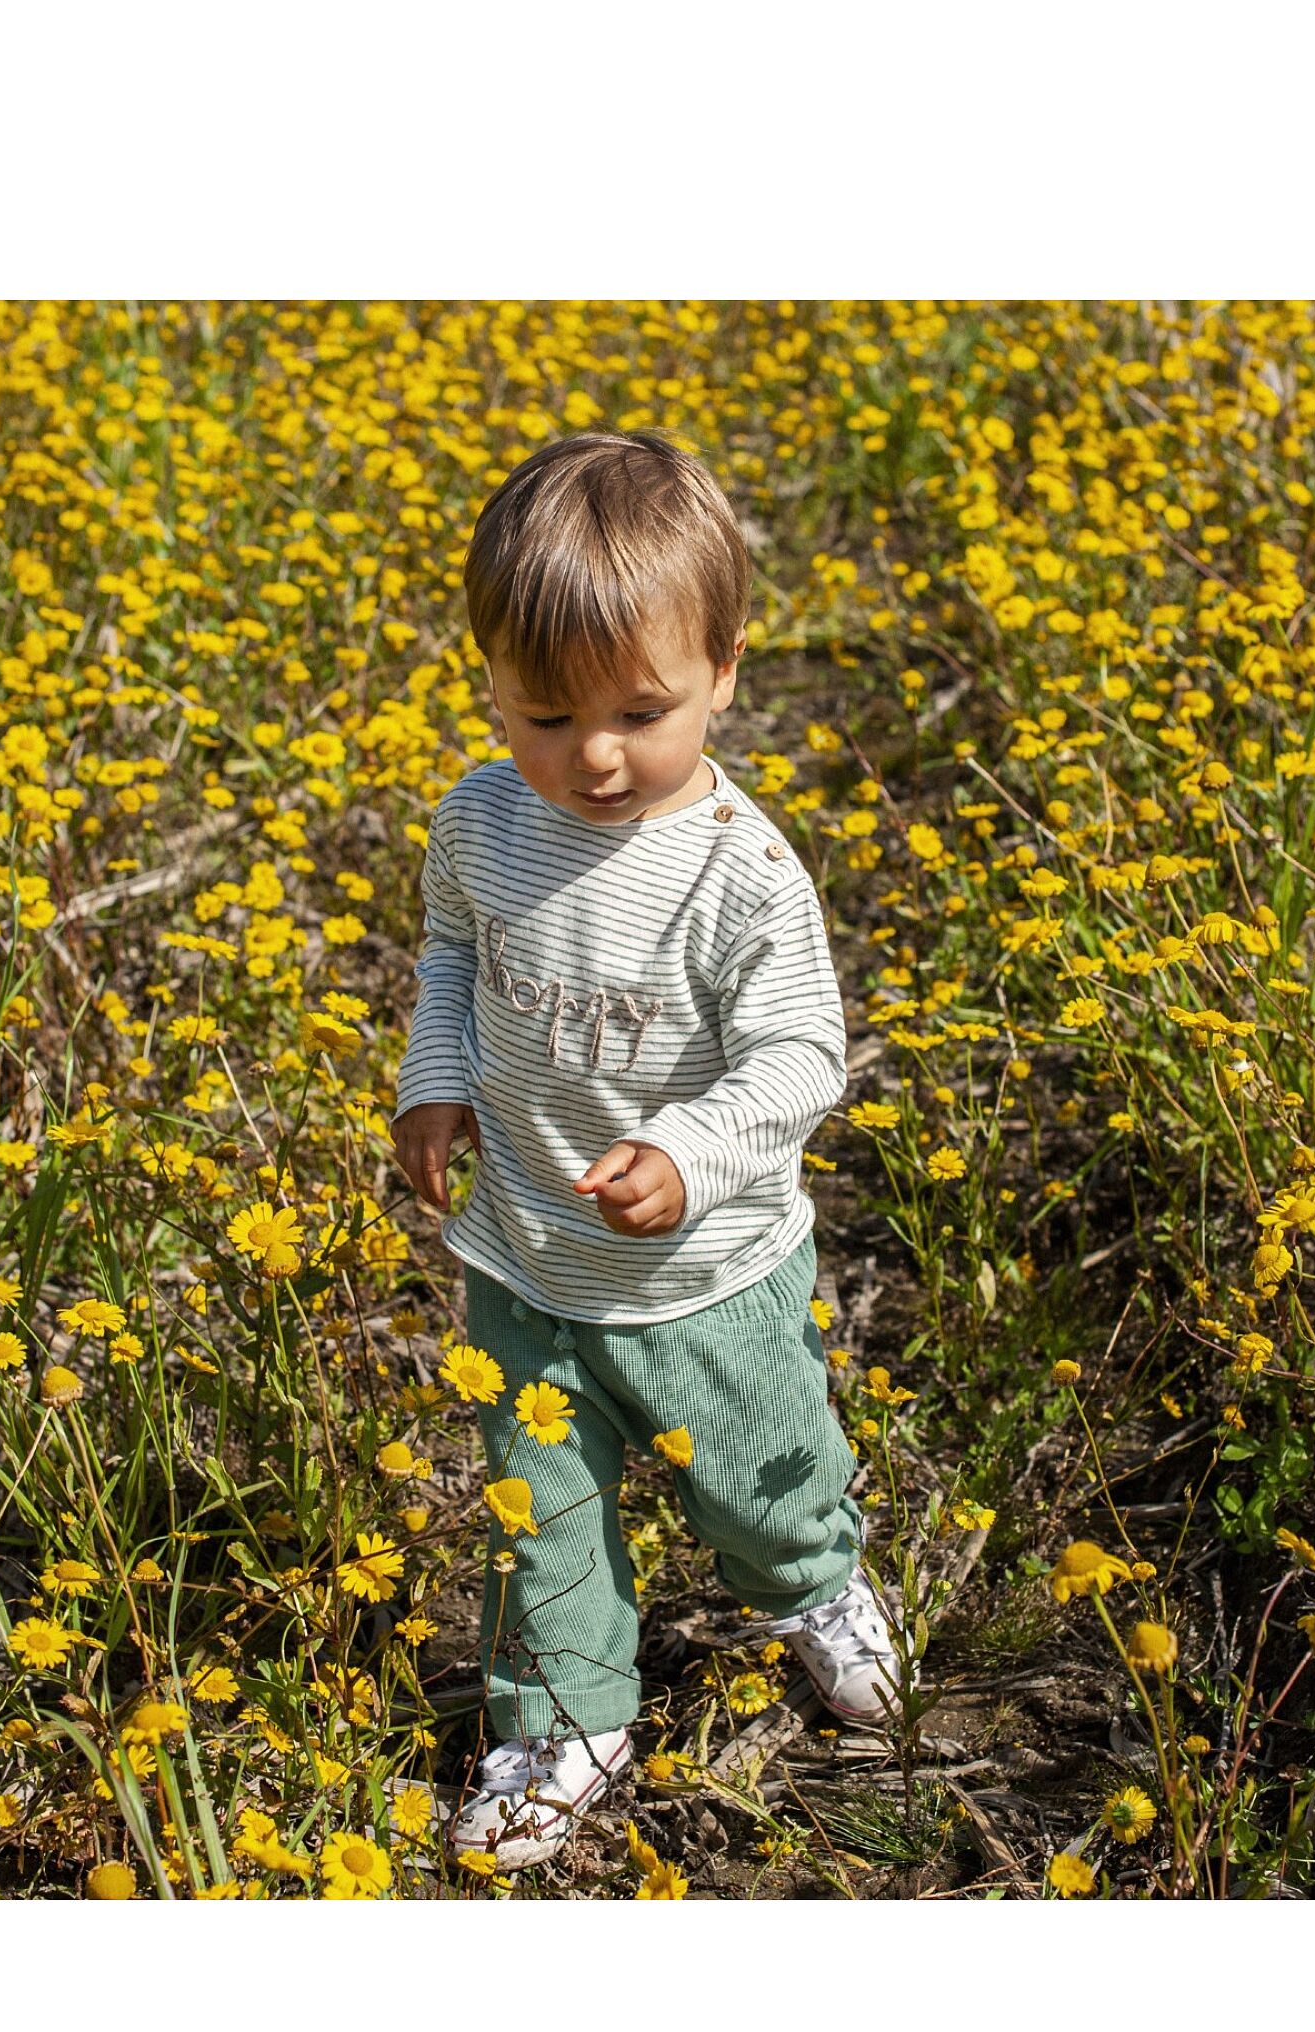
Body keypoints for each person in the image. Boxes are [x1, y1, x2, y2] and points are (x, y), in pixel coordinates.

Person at [390, 429, 902, 1870]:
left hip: (710, 1274)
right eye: (544, 715)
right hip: (528, 1266)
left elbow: (803, 1058)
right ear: (489, 679)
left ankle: (811, 1587)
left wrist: (687, 1149)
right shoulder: (483, 822)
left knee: (761, 1477)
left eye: (641, 710)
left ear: (726, 670)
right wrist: (440, 1083)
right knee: (535, 1514)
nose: (594, 757)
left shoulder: (743, 873)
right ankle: (563, 1716)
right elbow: (449, 957)